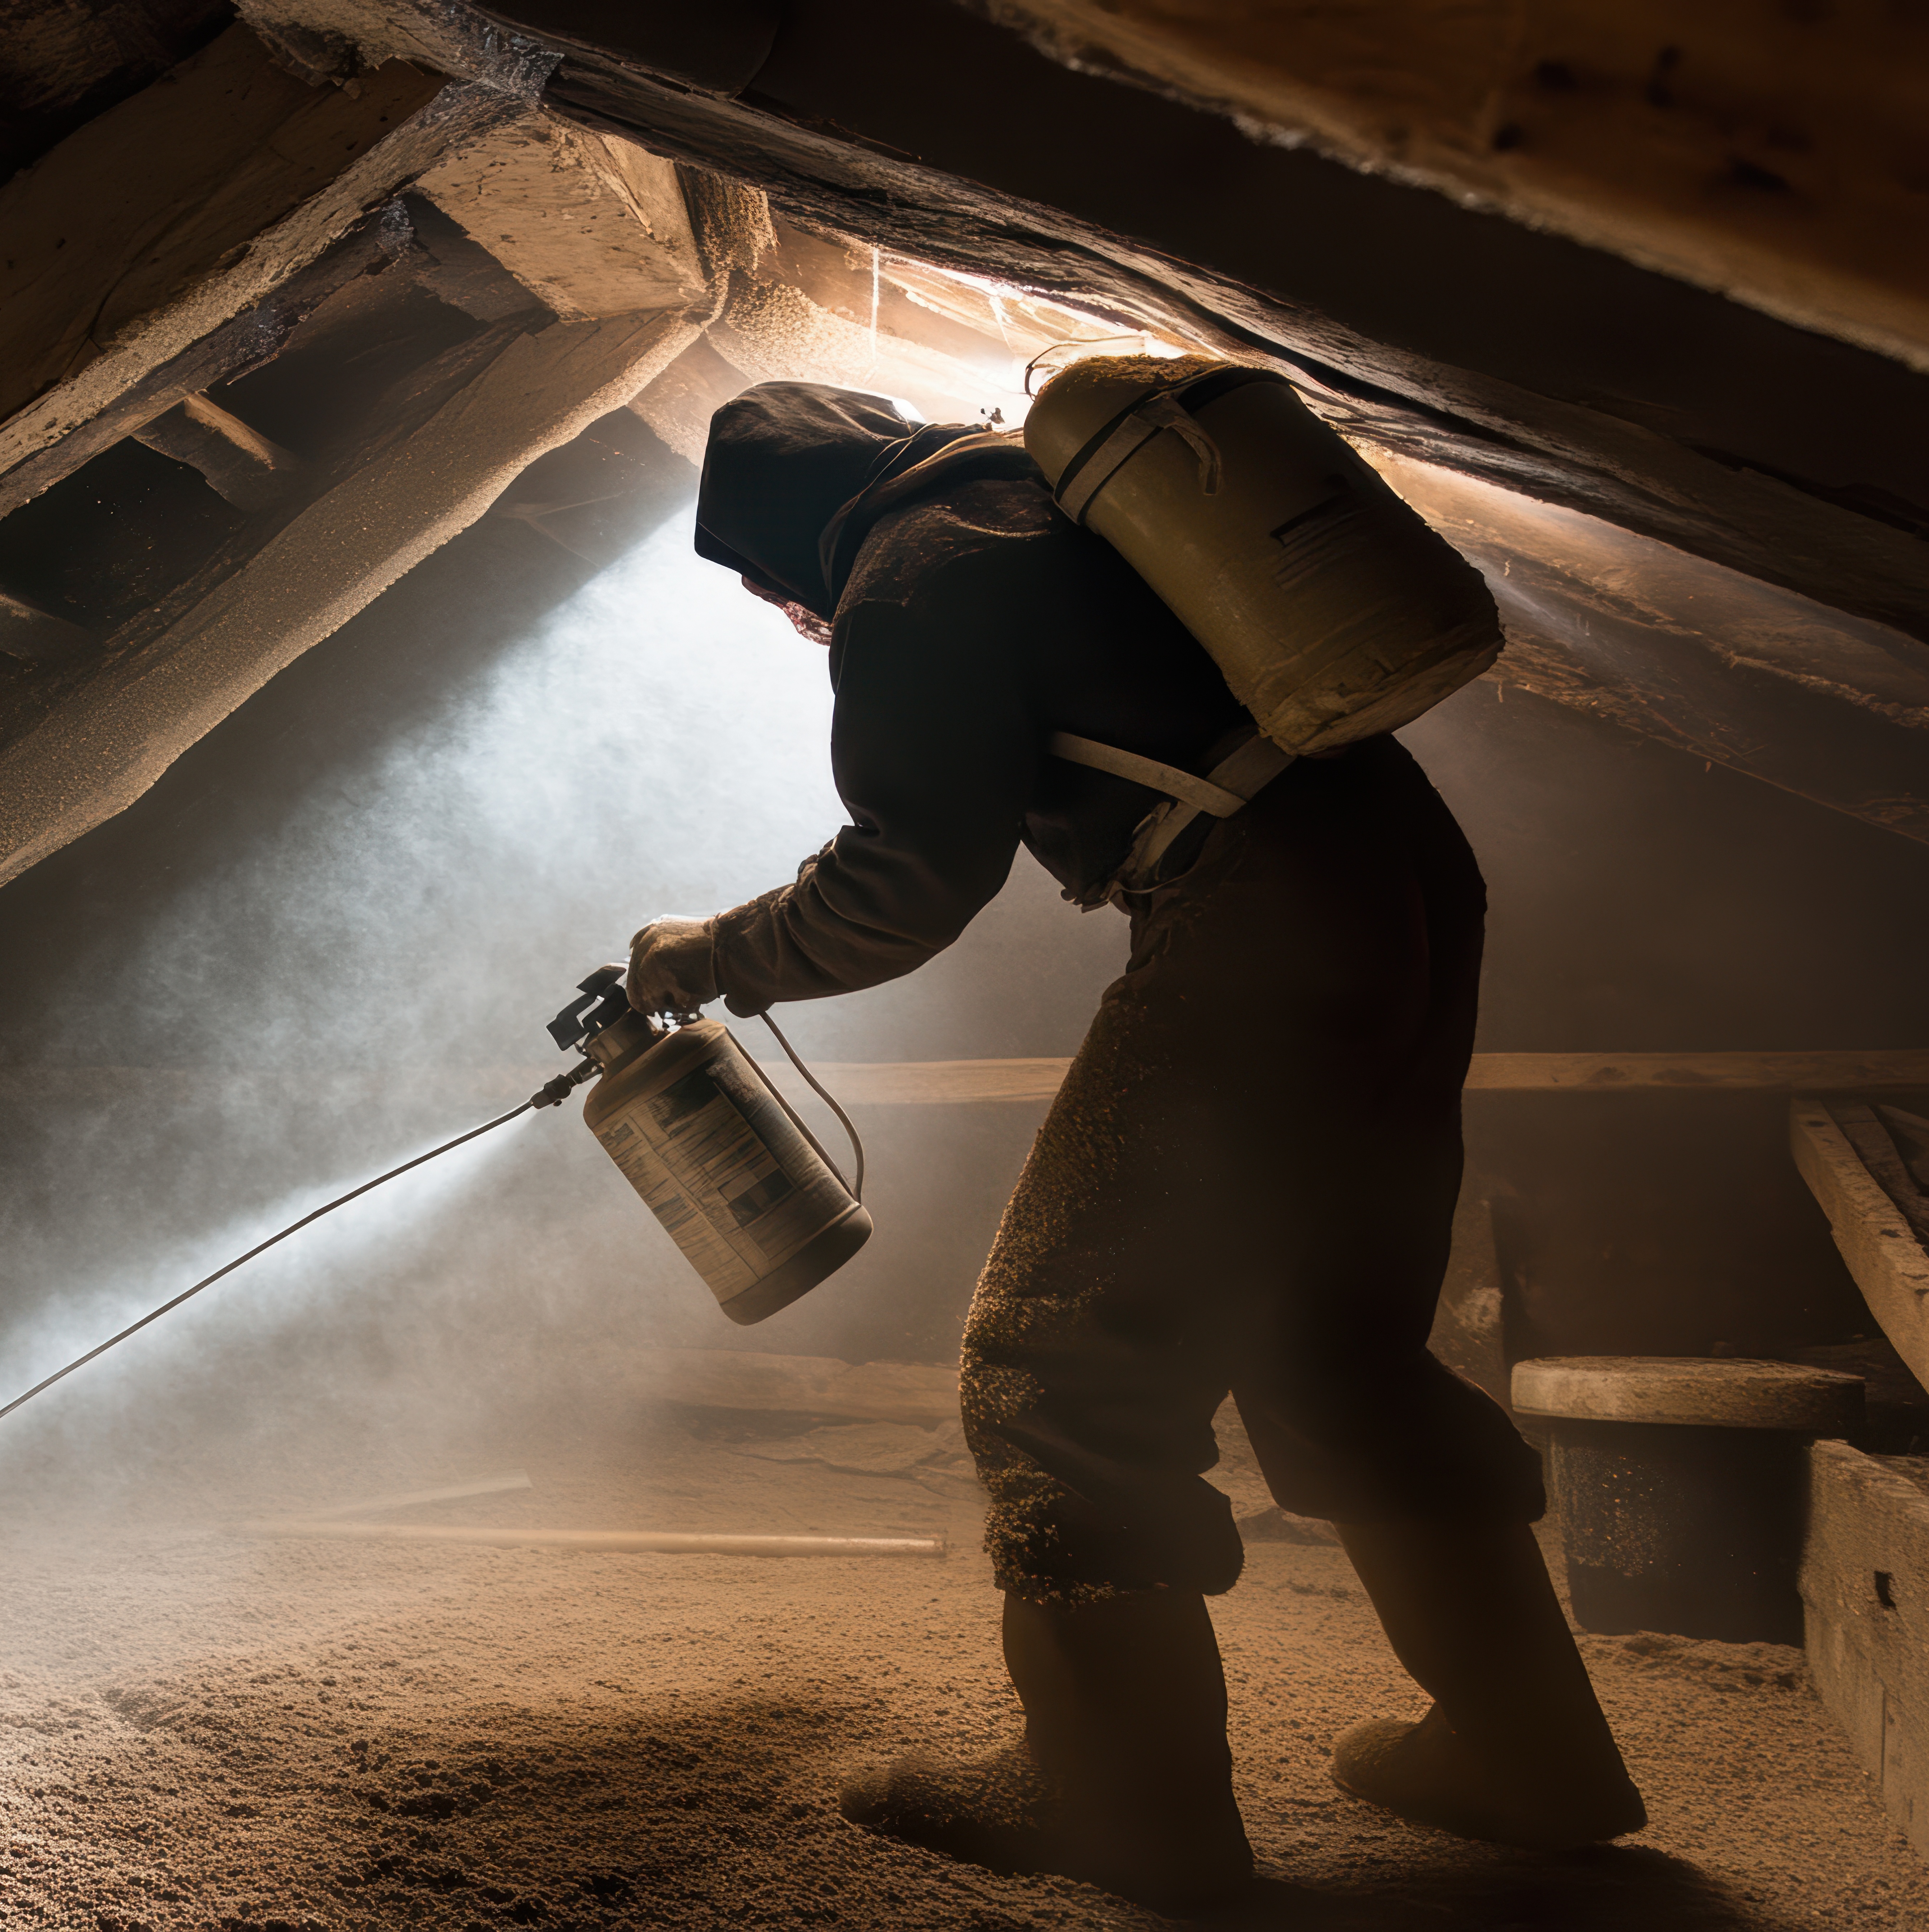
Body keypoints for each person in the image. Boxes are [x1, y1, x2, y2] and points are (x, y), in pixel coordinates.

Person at [626, 382, 1643, 1913]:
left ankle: (1117, 1800)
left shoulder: (909, 570)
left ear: (789, 544)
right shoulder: (1047, 508)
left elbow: (906, 881)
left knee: (1057, 1363)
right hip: (1400, 880)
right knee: (1331, 1347)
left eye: (773, 590)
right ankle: (1532, 1758)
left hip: (1263, 917)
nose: (789, 618)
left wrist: (715, 951)